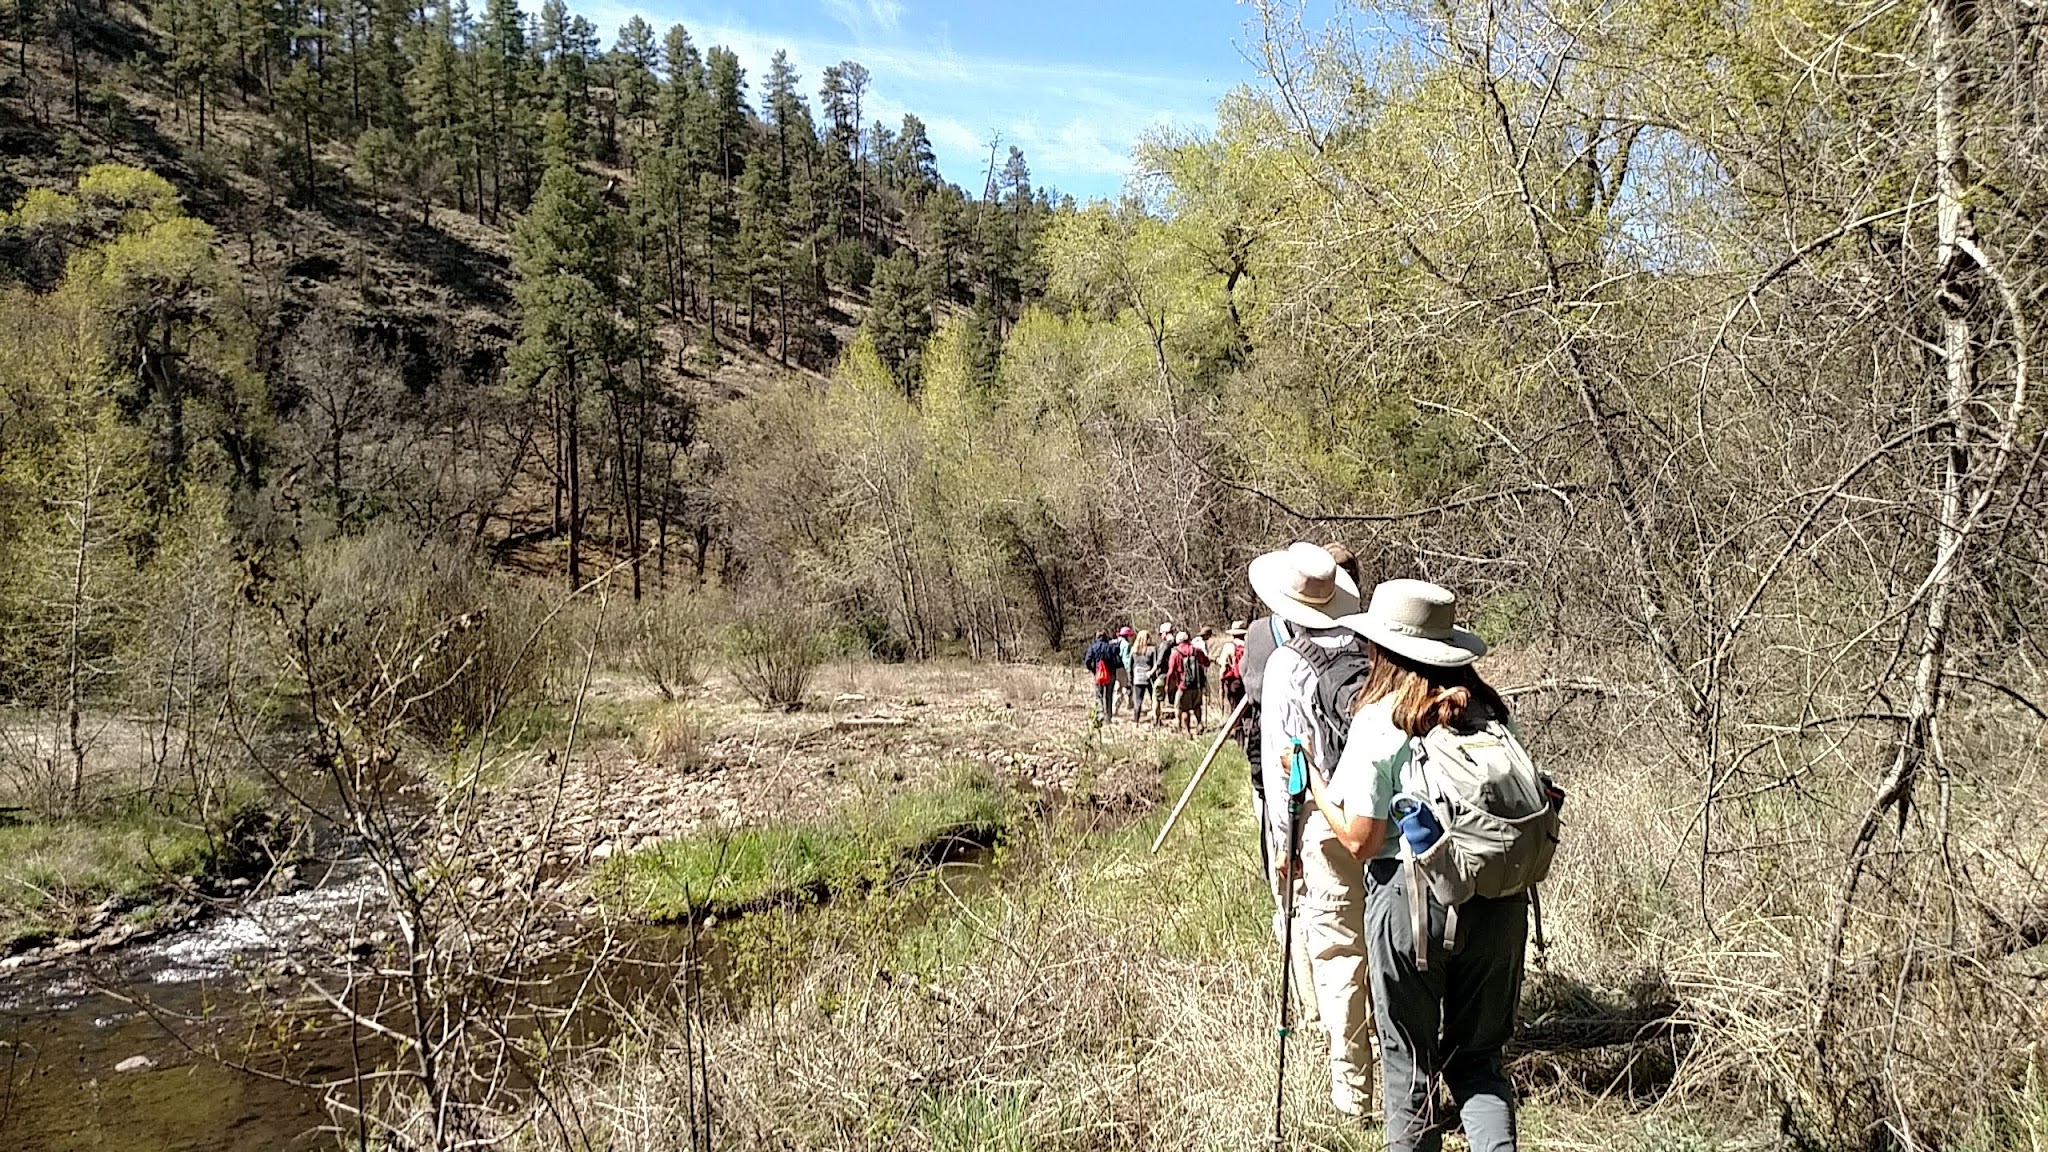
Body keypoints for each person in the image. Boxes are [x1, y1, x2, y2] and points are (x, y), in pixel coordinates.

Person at [1309, 580, 1521, 1152]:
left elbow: (1360, 840)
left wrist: (1319, 791)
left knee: (1410, 1070)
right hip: (1498, 905)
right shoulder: (1490, 711)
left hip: (1410, 905)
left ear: (1384, 648)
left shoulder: (1381, 719)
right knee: (1479, 1063)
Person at [1250, 541, 1373, 1118]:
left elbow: (1284, 774)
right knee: (1389, 942)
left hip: (1325, 824)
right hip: (1379, 815)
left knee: (1339, 951)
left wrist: (1281, 844)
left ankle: (1353, 1092)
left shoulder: (1285, 666)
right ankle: (1406, 1066)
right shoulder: (1374, 649)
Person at [1166, 630, 1209, 736]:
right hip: (1197, 685)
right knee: (1197, 706)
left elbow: (1171, 671)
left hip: (1183, 686)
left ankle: (1188, 731)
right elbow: (1206, 663)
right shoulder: (1196, 650)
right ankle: (1199, 724)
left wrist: (1168, 685)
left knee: (1184, 709)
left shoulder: (1176, 653)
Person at [1082, 630, 1122, 722]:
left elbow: (1087, 660)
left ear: (1097, 637)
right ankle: (1108, 716)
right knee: (1109, 695)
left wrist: (1093, 669)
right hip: (1110, 674)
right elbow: (1118, 661)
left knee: (1099, 694)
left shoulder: (1093, 647)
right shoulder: (1111, 647)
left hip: (1098, 674)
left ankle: (1100, 714)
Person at [1129, 629, 1161, 725]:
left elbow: (1130, 667)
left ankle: (1136, 720)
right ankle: (1156, 721)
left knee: (1138, 701)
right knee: (1154, 700)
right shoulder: (1152, 650)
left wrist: (1130, 679)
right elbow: (1156, 664)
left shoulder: (1134, 650)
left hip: (1137, 678)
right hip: (1149, 677)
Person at [1220, 621, 1249, 713]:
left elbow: (1224, 666)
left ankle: (1237, 727)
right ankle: (1248, 726)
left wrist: (1221, 682)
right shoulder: (1249, 646)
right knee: (1248, 711)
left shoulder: (1229, 646)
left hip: (1234, 681)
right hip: (1249, 681)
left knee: (1235, 709)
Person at [1115, 626, 1137, 717]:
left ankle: (1122, 706)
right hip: (1123, 669)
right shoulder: (1126, 645)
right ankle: (1117, 708)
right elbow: (1126, 659)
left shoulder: (1116, 642)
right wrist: (1130, 670)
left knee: (1118, 688)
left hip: (1115, 669)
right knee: (1124, 688)